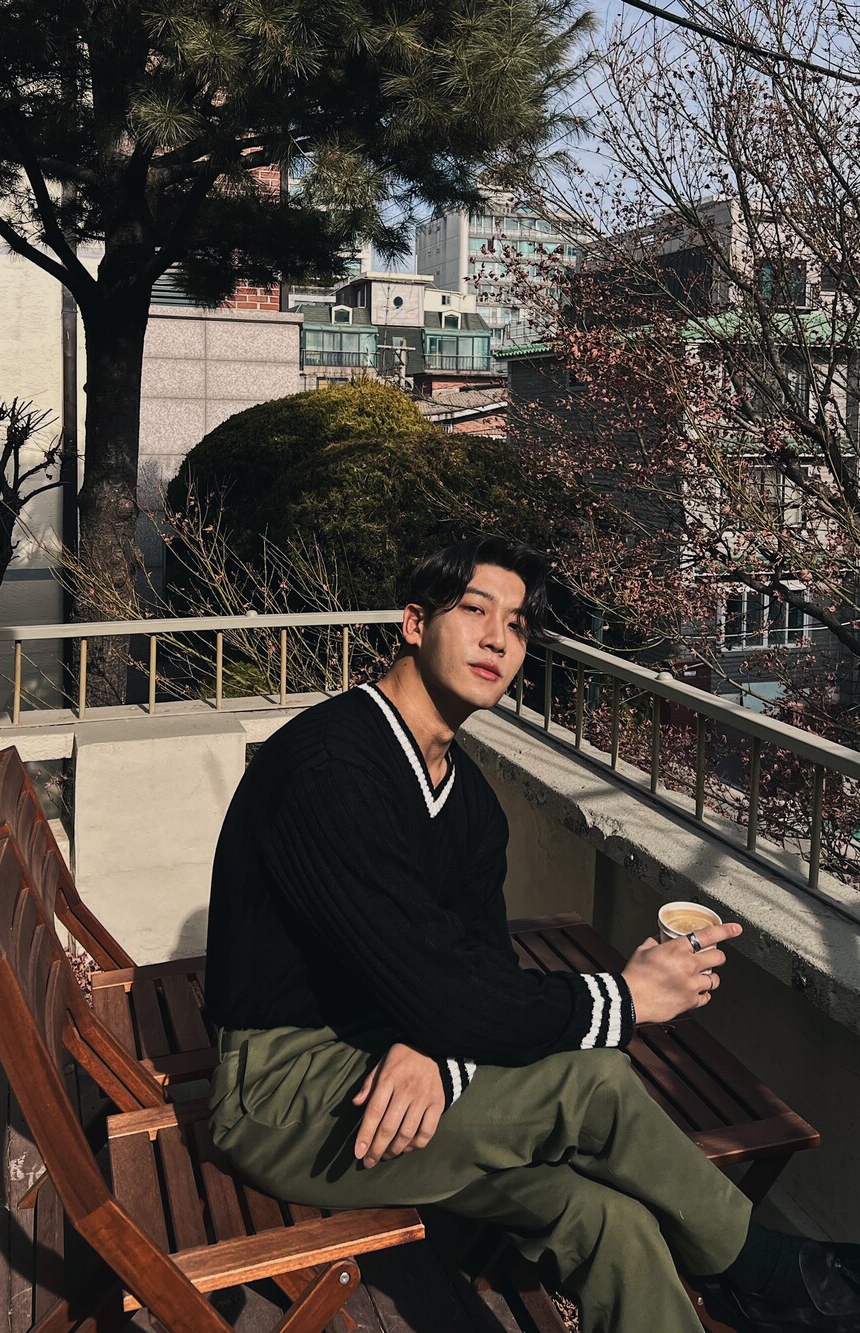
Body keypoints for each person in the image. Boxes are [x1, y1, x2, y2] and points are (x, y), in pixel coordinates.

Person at [205, 536, 860, 1333]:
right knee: (593, 1081)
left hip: (386, 1058)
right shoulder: (331, 769)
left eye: (516, 625)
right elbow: (446, 990)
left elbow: (472, 967)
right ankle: (763, 1271)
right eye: (474, 610)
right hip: (284, 1095)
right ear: (414, 623)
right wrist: (624, 996)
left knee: (607, 1223)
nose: (497, 639)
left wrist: (439, 1045)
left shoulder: (469, 800)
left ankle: (753, 1281)